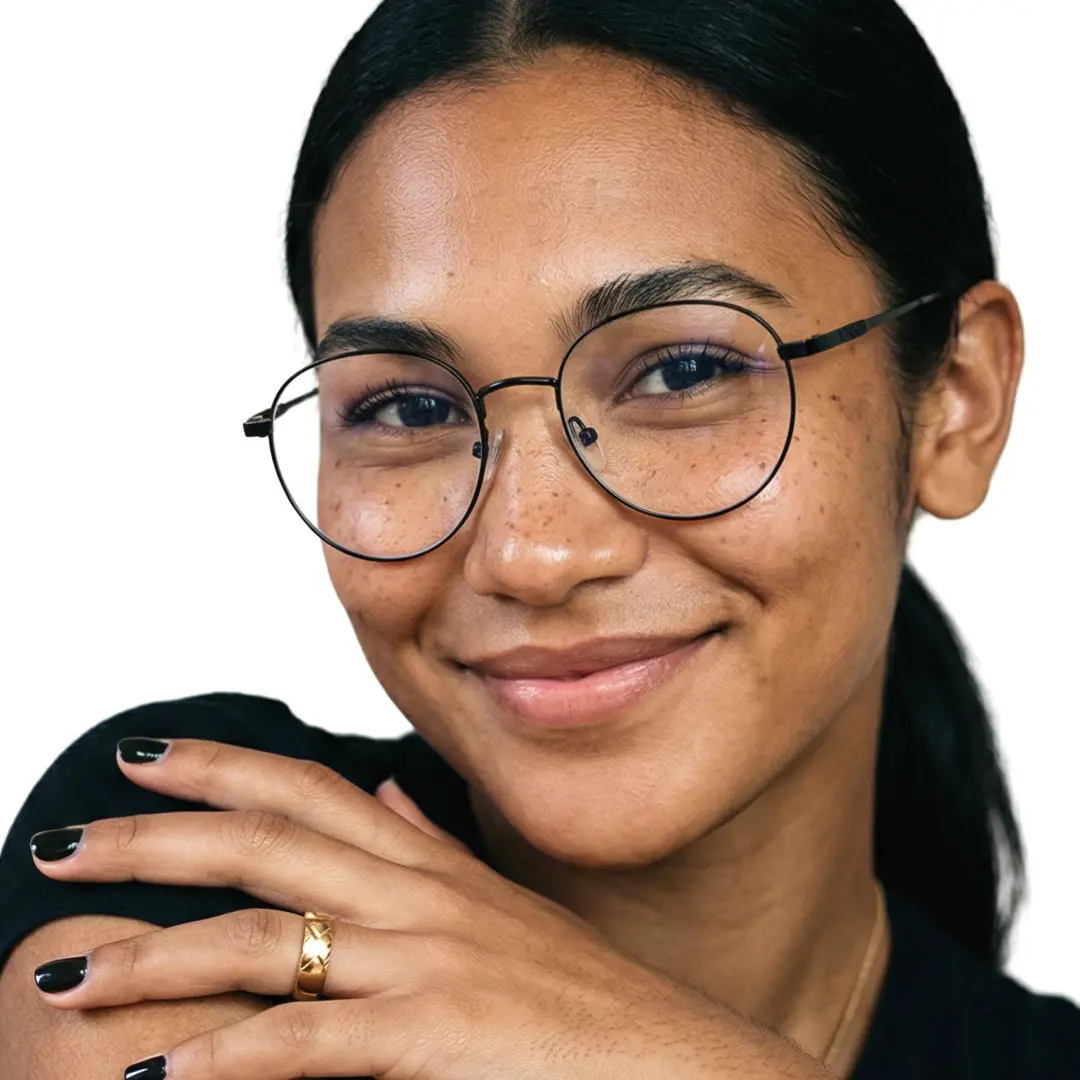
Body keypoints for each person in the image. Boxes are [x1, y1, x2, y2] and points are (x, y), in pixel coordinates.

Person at [1, 0, 1078, 1076]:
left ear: (958, 403)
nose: (531, 553)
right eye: (409, 408)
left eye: (684, 372)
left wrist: (635, 1044)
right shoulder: (203, 851)